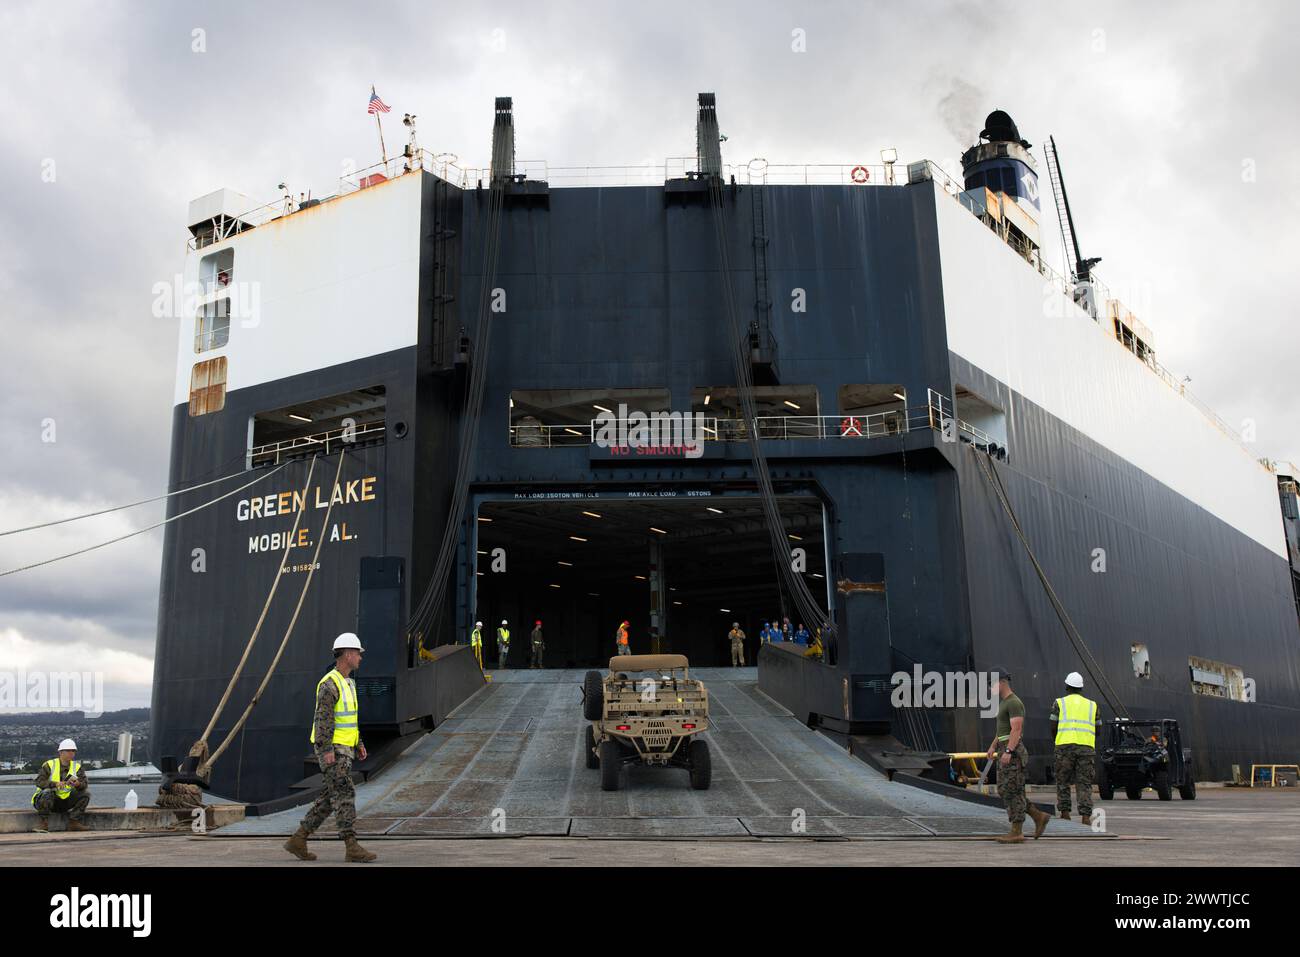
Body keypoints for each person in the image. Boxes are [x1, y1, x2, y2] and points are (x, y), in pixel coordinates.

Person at [285, 633, 377, 862]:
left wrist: (359, 743)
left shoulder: (349, 683)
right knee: (345, 792)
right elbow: (323, 720)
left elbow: (350, 719)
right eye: (358, 653)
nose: (360, 658)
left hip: (346, 748)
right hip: (332, 750)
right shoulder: (329, 684)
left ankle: (298, 839)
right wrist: (326, 751)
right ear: (347, 655)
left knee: (330, 797)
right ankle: (351, 845)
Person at [985, 668, 1050, 844]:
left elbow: (1017, 729)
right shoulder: (1005, 703)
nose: (990, 688)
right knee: (1007, 789)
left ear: (1002, 682)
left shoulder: (1014, 703)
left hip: (1011, 751)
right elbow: (1003, 730)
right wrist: (993, 746)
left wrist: (1009, 751)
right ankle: (1038, 816)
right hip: (1004, 747)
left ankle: (1017, 831)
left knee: (1011, 789)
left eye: (992, 684)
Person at [1051, 671, 1100, 824]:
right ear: (1081, 688)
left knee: (1063, 781)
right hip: (1086, 748)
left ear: (1067, 686)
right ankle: (1086, 816)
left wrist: (1058, 741)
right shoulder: (1093, 705)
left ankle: (1065, 813)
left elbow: (1053, 726)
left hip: (1064, 747)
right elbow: (1098, 729)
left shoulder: (1059, 703)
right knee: (1084, 783)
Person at [31, 739, 90, 833]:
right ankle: (44, 823)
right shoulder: (49, 765)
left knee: (85, 794)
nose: (71, 753)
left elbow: (84, 785)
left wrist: (78, 784)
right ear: (60, 752)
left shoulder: (77, 767)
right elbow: (39, 782)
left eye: (73, 751)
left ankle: (73, 822)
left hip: (64, 802)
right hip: (45, 801)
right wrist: (54, 784)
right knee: (47, 792)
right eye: (68, 751)